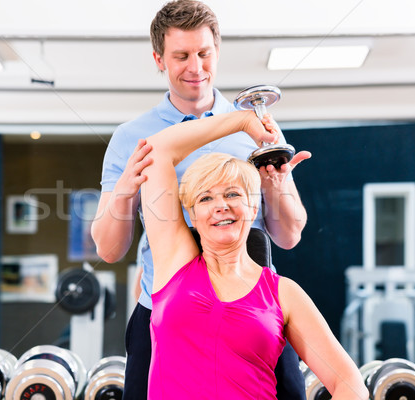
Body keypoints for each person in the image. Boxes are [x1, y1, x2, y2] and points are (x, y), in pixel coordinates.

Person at [91, 1, 308, 398]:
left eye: (204, 54)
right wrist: (125, 188)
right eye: (181, 56)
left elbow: (289, 234)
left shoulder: (256, 128)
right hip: (166, 311)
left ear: (217, 52)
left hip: (253, 309)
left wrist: (276, 185)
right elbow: (108, 249)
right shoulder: (131, 137)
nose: (196, 67)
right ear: (158, 58)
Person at [139, 109, 367, 399]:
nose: (221, 205)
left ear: (254, 207)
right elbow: (155, 150)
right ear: (193, 216)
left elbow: (350, 382)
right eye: (206, 198)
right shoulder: (174, 263)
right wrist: (243, 121)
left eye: (233, 194)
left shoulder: (283, 293)